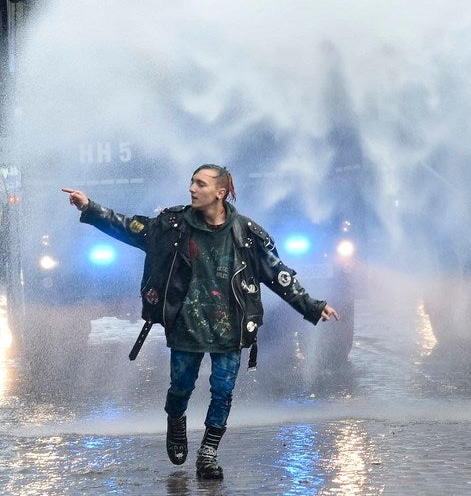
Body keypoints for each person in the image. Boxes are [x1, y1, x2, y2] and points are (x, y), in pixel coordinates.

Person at [62, 164, 340, 481]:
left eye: (201, 184)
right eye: (192, 182)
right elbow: (129, 228)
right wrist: (89, 207)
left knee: (222, 391)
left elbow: (278, 274)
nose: (192, 189)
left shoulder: (246, 234)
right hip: (186, 324)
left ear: (219, 192)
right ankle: (176, 419)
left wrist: (313, 306)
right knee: (181, 387)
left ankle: (208, 453)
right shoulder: (172, 225)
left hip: (231, 327)